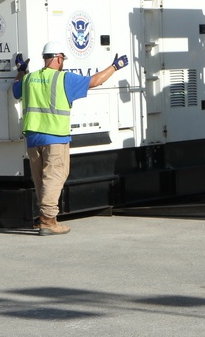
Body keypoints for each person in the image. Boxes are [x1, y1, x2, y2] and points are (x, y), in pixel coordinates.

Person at [12, 40, 129, 235]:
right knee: (54, 177)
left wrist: (21, 70)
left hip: (32, 138)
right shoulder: (63, 79)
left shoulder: (29, 78)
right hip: (55, 136)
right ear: (58, 58)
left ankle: (45, 217)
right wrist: (115, 66)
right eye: (62, 59)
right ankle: (48, 221)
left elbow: (15, 90)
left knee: (41, 180)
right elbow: (94, 81)